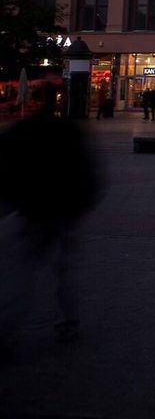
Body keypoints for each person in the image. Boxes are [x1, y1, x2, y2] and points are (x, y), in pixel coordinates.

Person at [0, 89, 102, 347]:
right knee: (65, 271)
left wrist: (12, 204)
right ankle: (68, 322)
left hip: (33, 212)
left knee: (21, 272)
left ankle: (7, 328)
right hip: (65, 212)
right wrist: (83, 203)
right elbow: (90, 171)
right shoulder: (70, 131)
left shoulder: (21, 131)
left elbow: (5, 170)